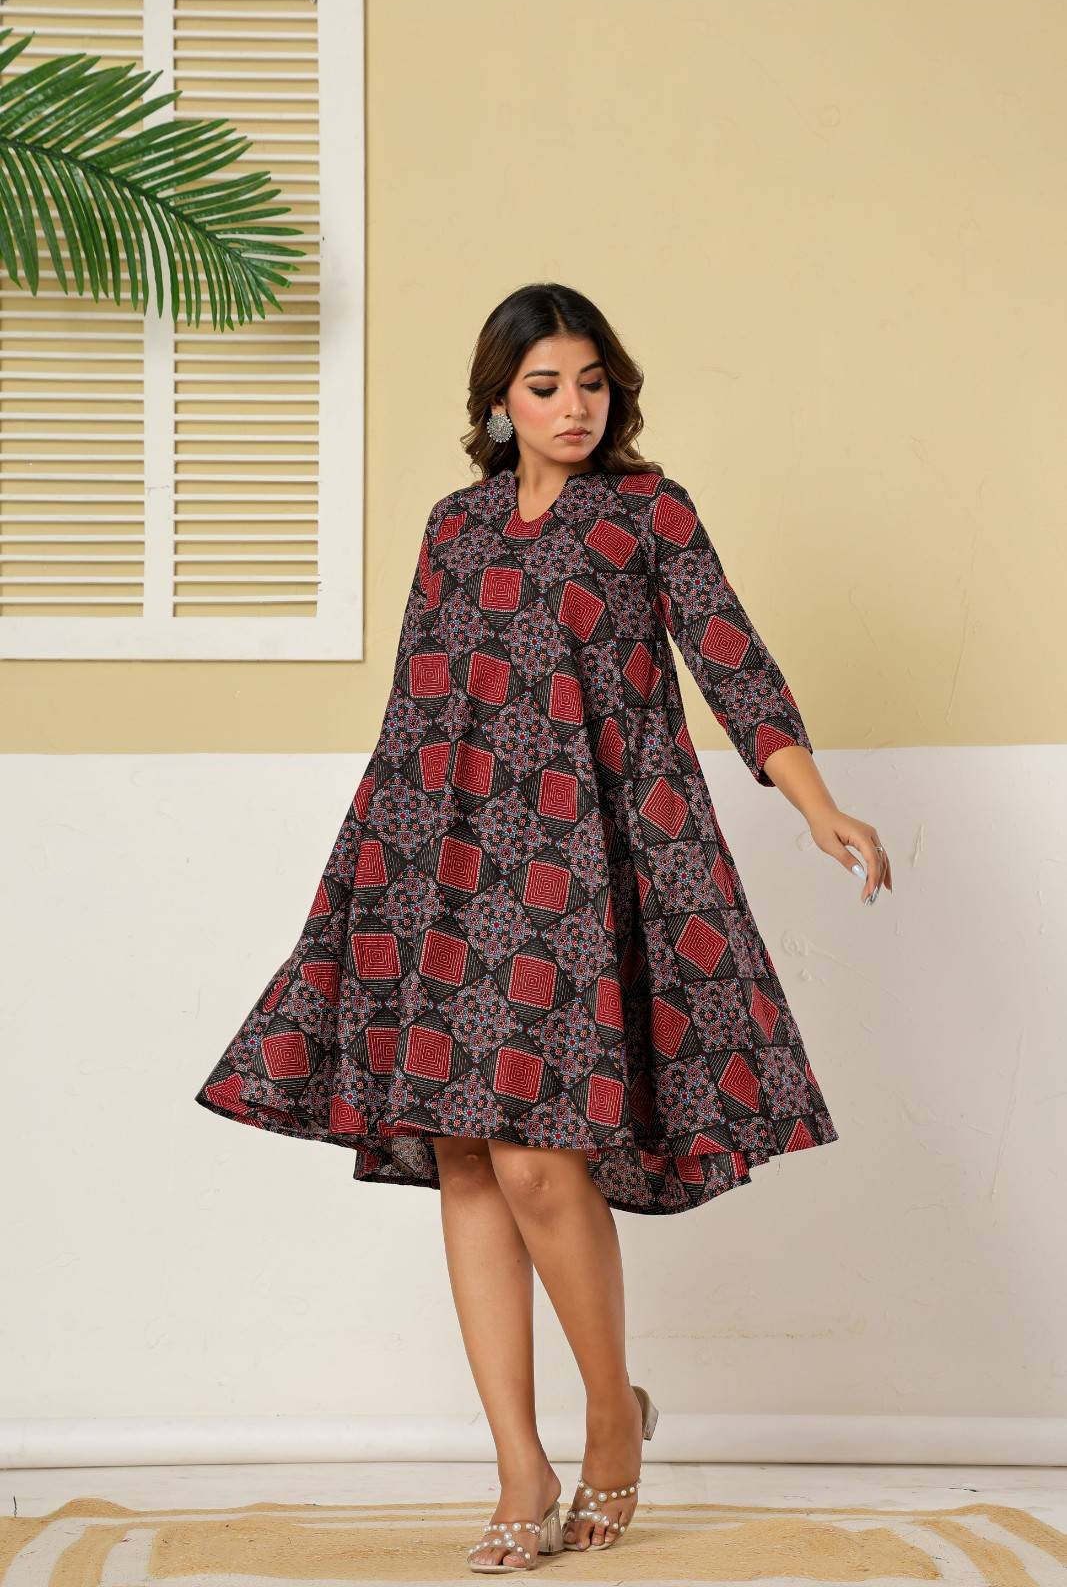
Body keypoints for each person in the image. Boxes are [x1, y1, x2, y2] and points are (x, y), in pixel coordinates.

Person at [194, 282, 891, 1573]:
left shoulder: (649, 512)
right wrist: (379, 870)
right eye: (546, 386)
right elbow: (418, 703)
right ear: (498, 402)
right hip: (443, 852)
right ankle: (519, 1466)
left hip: (584, 859)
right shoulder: (453, 525)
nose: (576, 408)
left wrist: (815, 803)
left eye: (593, 383)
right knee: (464, 1158)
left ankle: (611, 1423)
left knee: (535, 1163)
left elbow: (731, 658)